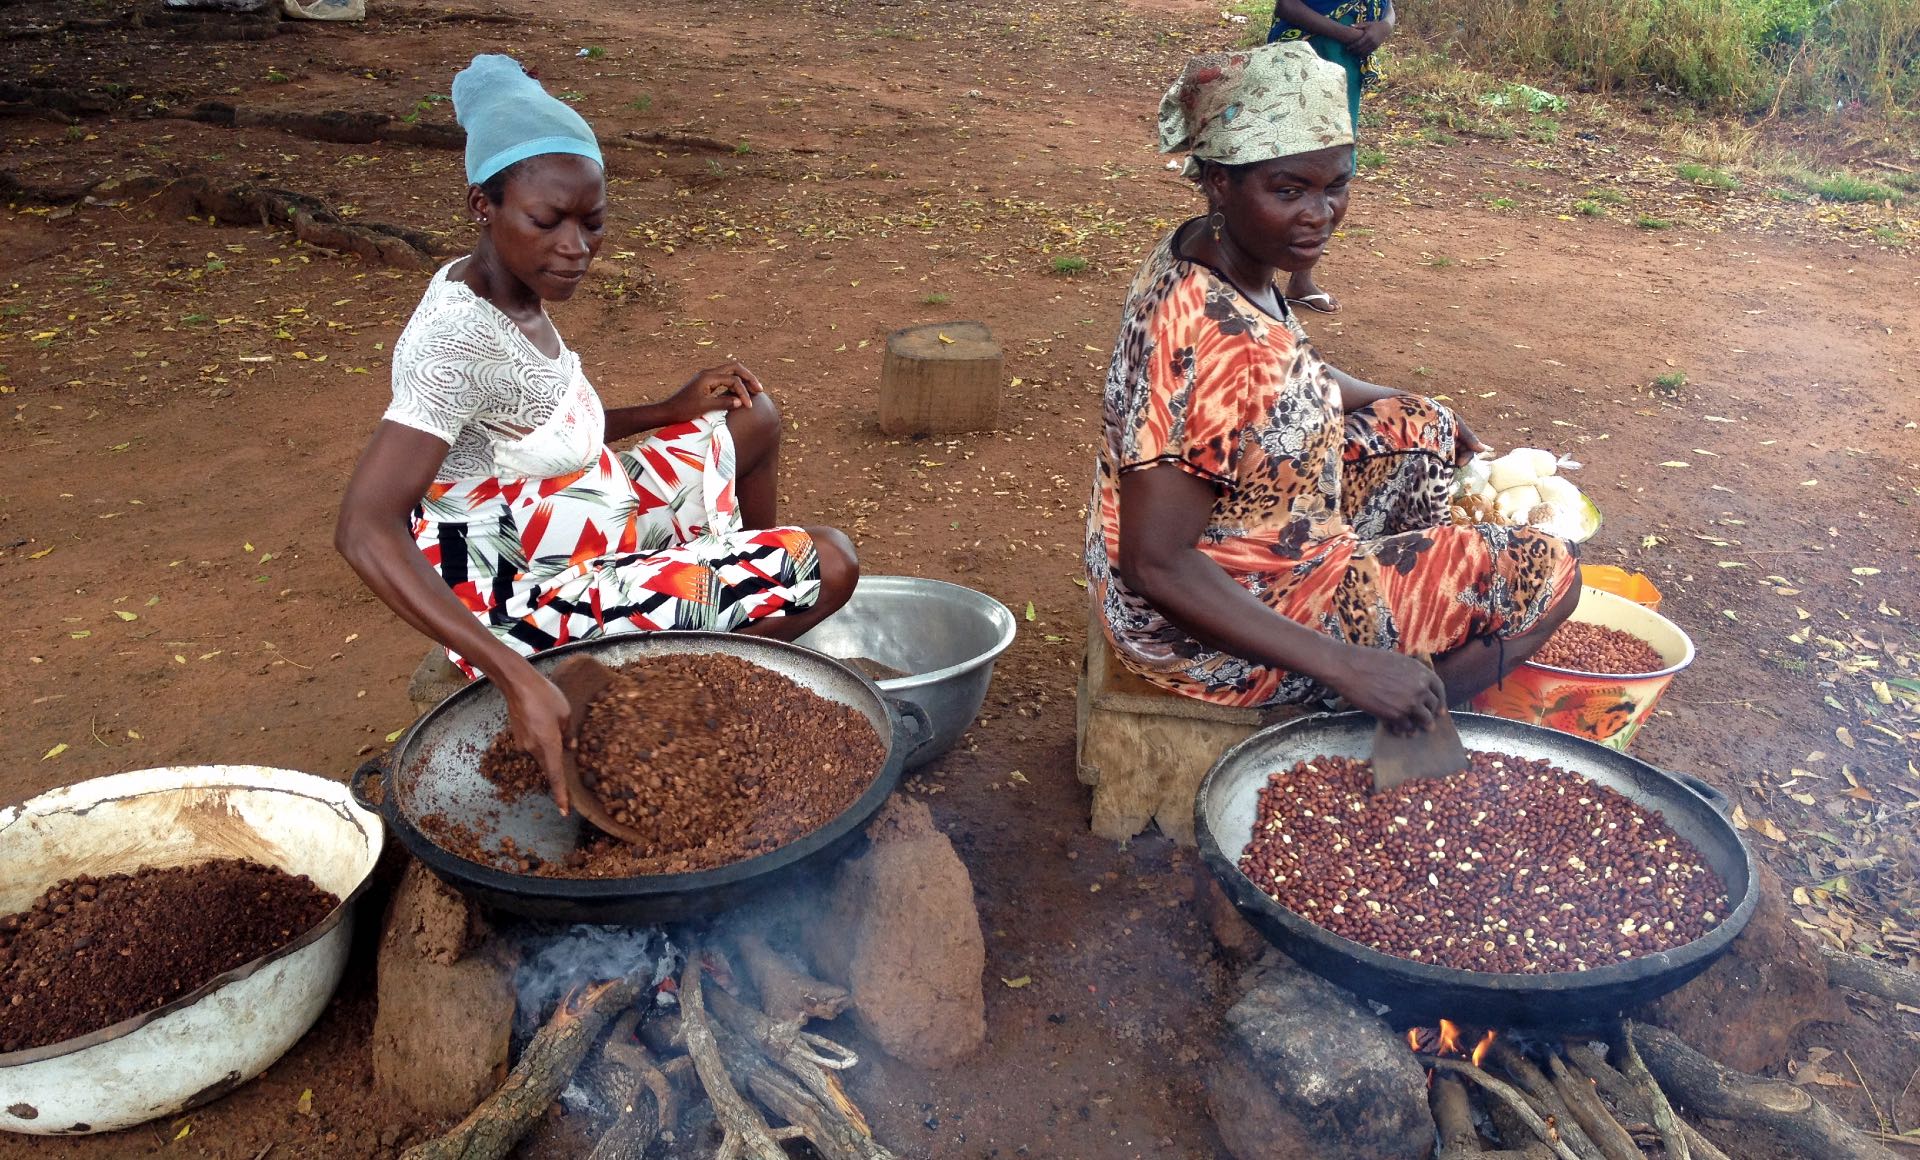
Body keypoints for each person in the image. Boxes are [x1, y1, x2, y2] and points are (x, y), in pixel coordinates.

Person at [337, 55, 858, 809]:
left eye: (593, 221)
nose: (576, 246)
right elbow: (362, 527)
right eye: (548, 222)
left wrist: (666, 411)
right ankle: (650, 698)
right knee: (831, 563)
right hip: (513, 585)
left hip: (566, 512)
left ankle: (727, 631)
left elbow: (549, 430)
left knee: (751, 416)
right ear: (484, 206)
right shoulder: (456, 344)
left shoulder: (505, 285)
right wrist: (514, 676)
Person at [1085, 43, 1580, 737]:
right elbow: (1156, 561)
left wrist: (1400, 399)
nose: (1319, 214)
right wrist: (1342, 664)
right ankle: (1371, 722)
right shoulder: (1205, 336)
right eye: (1288, 191)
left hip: (1255, 532)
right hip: (1200, 635)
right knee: (1549, 575)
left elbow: (1288, 372)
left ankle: (1388, 631)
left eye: (1334, 186)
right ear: (1220, 183)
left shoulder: (1219, 250)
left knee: (1419, 426)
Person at [1266, 0, 1395, 314]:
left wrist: (1383, 27)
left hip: (1343, 68)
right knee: (1280, 165)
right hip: (1301, 62)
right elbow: (1287, 6)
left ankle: (1300, 280)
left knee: (1330, 171)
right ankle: (1257, 279)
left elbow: (1389, 8)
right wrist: (1346, 35)